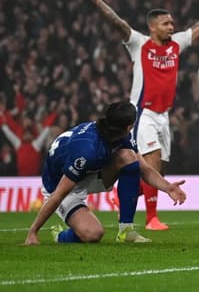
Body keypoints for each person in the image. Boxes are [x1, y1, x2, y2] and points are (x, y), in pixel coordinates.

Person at [83, 0, 199, 237]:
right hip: (143, 114)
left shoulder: (175, 45)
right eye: (166, 23)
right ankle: (151, 219)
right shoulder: (139, 43)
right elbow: (117, 22)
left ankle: (120, 193)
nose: (172, 26)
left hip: (163, 115)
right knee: (154, 162)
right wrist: (98, 1)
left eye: (172, 23)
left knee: (157, 170)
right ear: (152, 27)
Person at [24, 101, 186, 245]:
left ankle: (126, 231)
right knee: (93, 234)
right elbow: (59, 194)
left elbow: (144, 169)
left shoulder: (118, 134)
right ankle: (60, 235)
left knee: (129, 158)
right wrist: (33, 232)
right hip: (59, 184)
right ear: (128, 126)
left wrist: (168, 188)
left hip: (87, 173)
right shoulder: (87, 151)